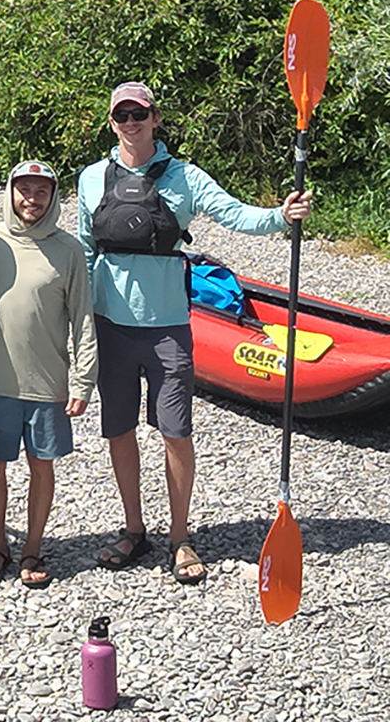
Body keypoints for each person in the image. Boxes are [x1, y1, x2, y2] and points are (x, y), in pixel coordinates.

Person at [77, 82, 313, 585]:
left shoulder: (185, 178)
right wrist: (70, 318)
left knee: (176, 433)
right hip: (110, 327)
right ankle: (133, 528)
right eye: (122, 114)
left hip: (167, 330)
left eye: (139, 112)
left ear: (155, 118)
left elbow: (235, 215)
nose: (131, 121)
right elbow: (81, 251)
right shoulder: (92, 178)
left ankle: (180, 537)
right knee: (118, 431)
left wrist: (280, 216)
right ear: (111, 122)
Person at [0, 161, 97, 590]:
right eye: (23, 190)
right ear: (10, 193)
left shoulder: (69, 250)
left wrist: (83, 382)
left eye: (41, 191)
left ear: (53, 197)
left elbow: (83, 319)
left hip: (48, 384)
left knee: (41, 467)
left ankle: (32, 546)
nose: (31, 199)